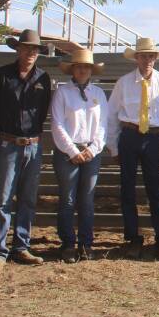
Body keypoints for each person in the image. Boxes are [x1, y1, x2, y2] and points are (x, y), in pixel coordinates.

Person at [0, 29, 53, 271]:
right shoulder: (0, 76)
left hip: (33, 145)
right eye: (26, 48)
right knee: (2, 199)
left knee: (28, 199)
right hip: (8, 144)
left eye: (35, 49)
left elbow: (43, 113)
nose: (30, 53)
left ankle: (21, 246)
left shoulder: (44, 79)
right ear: (18, 49)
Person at [106, 37, 159, 260]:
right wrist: (114, 147)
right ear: (136, 58)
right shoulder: (124, 82)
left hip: (153, 138)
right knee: (127, 189)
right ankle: (133, 239)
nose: (147, 60)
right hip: (129, 136)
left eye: (151, 56)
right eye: (143, 55)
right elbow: (111, 116)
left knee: (155, 190)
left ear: (155, 59)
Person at [49, 49, 108, 263]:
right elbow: (57, 124)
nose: (83, 70)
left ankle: (86, 243)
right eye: (79, 66)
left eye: (86, 67)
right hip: (68, 151)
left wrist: (92, 149)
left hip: (91, 150)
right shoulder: (63, 93)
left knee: (87, 200)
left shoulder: (99, 94)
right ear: (73, 69)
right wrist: (72, 151)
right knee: (68, 199)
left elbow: (103, 125)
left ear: (91, 70)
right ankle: (67, 243)